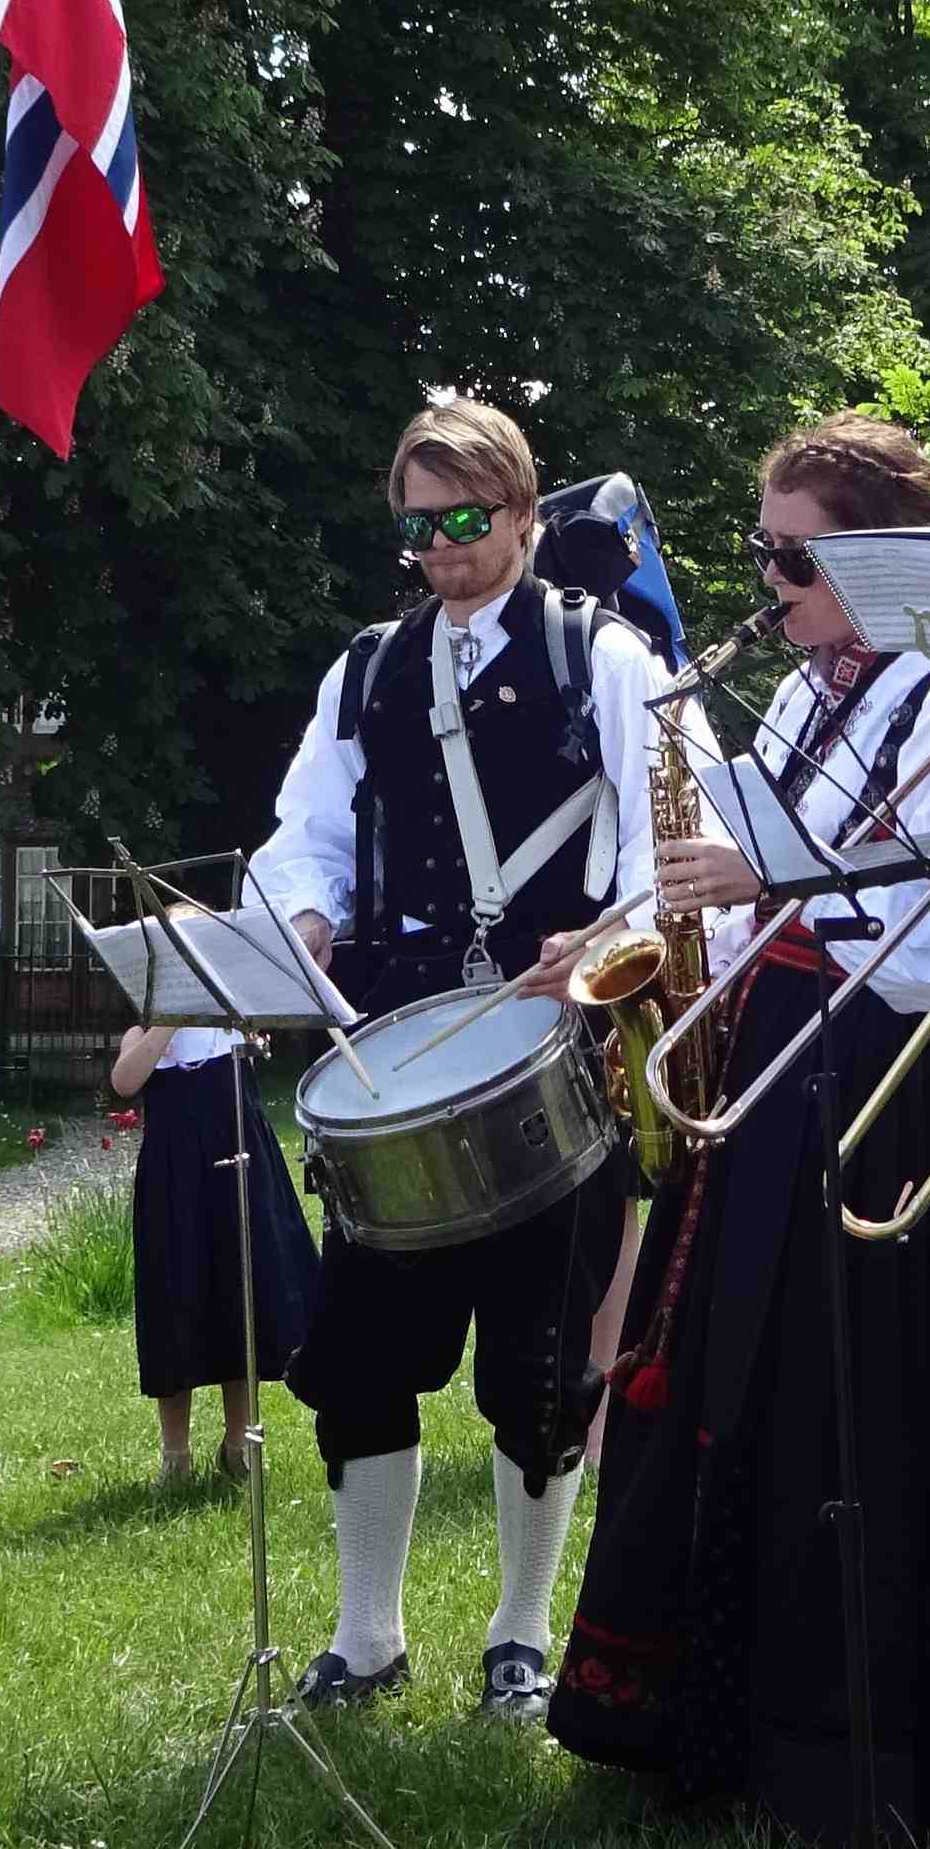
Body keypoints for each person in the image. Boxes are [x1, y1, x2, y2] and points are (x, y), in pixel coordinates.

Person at [551, 418, 930, 1849]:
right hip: (780, 1066)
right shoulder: (803, 700)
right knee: (742, 1391)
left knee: (873, 1416)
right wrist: (640, 924)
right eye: (763, 553)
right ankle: (723, 1734)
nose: (770, 583)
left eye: (794, 559)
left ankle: (900, 1762)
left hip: (896, 1087)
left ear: (875, 563)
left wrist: (769, 880)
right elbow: (752, 880)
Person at [246, 396, 664, 1721]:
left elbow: (668, 835)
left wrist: (606, 943)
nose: (437, 545)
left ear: (524, 513)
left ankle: (520, 1633)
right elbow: (306, 830)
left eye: (463, 518)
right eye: (416, 524)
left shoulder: (599, 653)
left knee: (539, 1368)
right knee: (363, 1355)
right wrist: (305, 914)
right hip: (402, 1039)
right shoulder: (368, 669)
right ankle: (366, 1634)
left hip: (556, 1031)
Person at [114, 974, 317, 1495]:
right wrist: (166, 1024)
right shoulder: (144, 1033)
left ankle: (238, 1442)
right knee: (174, 1301)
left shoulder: (231, 1027)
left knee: (239, 1298)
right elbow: (124, 1082)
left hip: (238, 1171)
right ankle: (175, 1454)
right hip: (173, 1179)